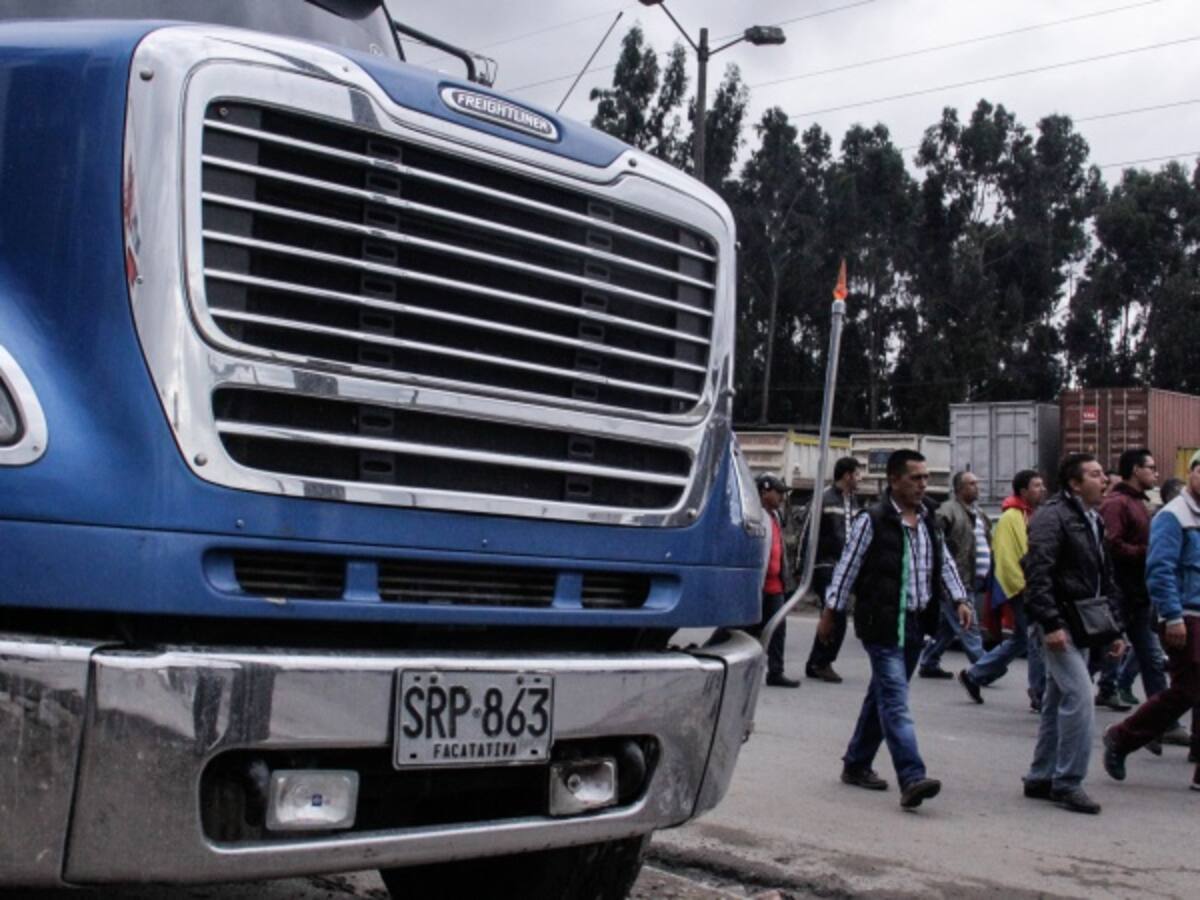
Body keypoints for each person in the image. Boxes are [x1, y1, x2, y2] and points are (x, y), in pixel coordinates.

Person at [818, 450, 972, 809]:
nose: (922, 485)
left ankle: (856, 763)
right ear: (894, 480)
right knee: (896, 702)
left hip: (917, 624)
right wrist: (830, 612)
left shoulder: (930, 517)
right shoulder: (871, 520)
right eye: (915, 478)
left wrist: (960, 599)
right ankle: (912, 776)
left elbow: (944, 561)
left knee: (883, 696)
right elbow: (847, 570)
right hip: (883, 625)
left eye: (925, 478)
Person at [1022, 453, 1125, 814]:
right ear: (1074, 483)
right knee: (1080, 698)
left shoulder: (1092, 519)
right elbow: (1037, 574)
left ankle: (1042, 775)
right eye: (1095, 475)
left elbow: (1104, 578)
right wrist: (1050, 624)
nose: (1104, 479)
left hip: (1083, 623)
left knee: (1056, 699)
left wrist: (1114, 627)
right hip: (1061, 623)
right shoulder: (1053, 517)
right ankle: (1068, 782)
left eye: (1103, 474)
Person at [1102, 449, 1200, 792]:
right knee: (1187, 689)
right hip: (1183, 615)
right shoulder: (1173, 516)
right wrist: (1172, 616)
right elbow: (1159, 571)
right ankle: (1122, 737)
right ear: (1191, 474)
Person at [957, 469, 1047, 708]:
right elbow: (1007, 560)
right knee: (1034, 638)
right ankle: (1039, 692)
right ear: (1024, 491)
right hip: (1022, 589)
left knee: (1020, 640)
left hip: (1029, 587)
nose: (1042, 490)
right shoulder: (1011, 518)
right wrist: (1024, 588)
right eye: (1037, 486)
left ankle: (974, 674)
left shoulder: (1031, 515)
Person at [1095, 449, 1172, 721]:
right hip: (1120, 594)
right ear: (1135, 470)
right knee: (1097, 653)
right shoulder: (1117, 504)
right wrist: (1147, 552)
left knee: (1151, 660)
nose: (1156, 473)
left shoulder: (1139, 503)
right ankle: (1052, 693)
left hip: (1138, 595)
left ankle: (1163, 721)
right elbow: (1110, 546)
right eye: (1151, 467)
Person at [917, 471, 987, 678]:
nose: (977, 487)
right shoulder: (947, 511)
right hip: (956, 581)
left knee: (947, 626)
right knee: (969, 626)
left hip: (972, 579)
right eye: (971, 483)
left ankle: (929, 661)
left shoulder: (978, 513)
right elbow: (935, 543)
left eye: (977, 483)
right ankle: (986, 668)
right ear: (959, 489)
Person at [803, 456, 863, 684]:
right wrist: (803, 567)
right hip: (826, 566)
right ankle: (821, 662)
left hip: (846, 568)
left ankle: (817, 662)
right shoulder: (824, 498)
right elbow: (807, 534)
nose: (860, 478)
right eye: (858, 474)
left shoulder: (855, 503)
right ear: (847, 475)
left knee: (836, 615)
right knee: (836, 614)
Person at [754, 473, 800, 688]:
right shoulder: (753, 515)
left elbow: (781, 549)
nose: (782, 497)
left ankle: (776, 672)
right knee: (746, 630)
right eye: (778, 492)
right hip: (757, 585)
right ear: (764, 491)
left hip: (776, 584)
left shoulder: (776, 516)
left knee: (778, 630)